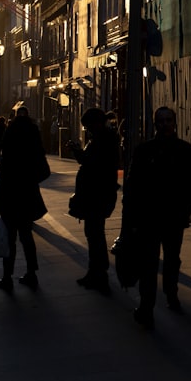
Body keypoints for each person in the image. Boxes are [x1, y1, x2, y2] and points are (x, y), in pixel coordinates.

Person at [123, 106, 191, 329]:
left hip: (173, 217)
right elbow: (132, 187)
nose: (165, 124)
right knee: (149, 264)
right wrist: (132, 217)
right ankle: (147, 308)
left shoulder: (185, 151)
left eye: (169, 120)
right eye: (161, 121)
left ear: (174, 122)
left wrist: (186, 208)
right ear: (155, 123)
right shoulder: (145, 151)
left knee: (171, 259)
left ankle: (171, 293)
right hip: (149, 218)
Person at [0, 106, 49, 291]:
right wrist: (31, 180)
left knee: (10, 238)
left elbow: (3, 173)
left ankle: (7, 276)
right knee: (26, 236)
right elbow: (44, 171)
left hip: (9, 195)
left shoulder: (11, 141)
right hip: (27, 194)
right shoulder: (33, 141)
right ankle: (32, 272)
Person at [67, 107, 120, 294]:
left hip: (97, 194)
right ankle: (95, 271)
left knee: (95, 233)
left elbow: (90, 162)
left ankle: (99, 273)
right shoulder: (104, 139)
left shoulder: (103, 140)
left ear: (96, 124)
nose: (87, 130)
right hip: (98, 193)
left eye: (88, 126)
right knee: (94, 233)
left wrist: (76, 151)